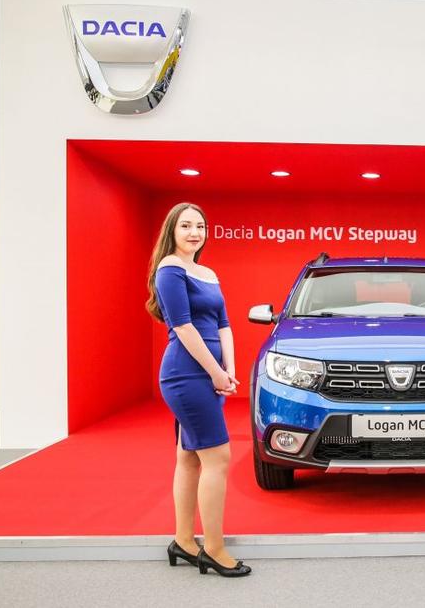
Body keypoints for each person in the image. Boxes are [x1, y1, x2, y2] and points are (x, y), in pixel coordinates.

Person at [145, 202, 251, 578]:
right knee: (218, 458)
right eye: (186, 226)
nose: (194, 232)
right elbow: (183, 327)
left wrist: (229, 369)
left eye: (200, 226)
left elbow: (224, 324)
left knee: (190, 458)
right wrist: (215, 372)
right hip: (185, 375)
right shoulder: (169, 269)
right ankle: (215, 549)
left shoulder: (207, 273)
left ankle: (184, 542)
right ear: (172, 231)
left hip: (210, 374)